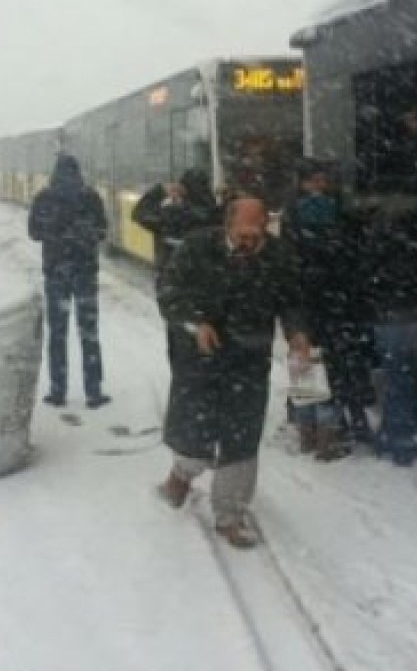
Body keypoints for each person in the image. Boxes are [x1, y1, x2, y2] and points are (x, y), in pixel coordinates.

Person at [154, 196, 311, 549]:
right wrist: (197, 323)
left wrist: (298, 334)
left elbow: (291, 300)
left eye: (256, 235)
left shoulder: (278, 255)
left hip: (249, 358)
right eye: (243, 235)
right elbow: (168, 294)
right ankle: (181, 476)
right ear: (227, 225)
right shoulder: (196, 248)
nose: (249, 242)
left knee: (242, 435)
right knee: (195, 427)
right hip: (199, 356)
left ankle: (230, 515)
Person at [280, 159, 374, 460]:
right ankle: (327, 434)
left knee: (307, 359)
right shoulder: (341, 211)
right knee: (332, 365)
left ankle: (308, 429)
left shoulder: (292, 211)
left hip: (307, 298)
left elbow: (289, 256)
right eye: (314, 181)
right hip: (333, 299)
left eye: (321, 181)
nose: (318, 187)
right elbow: (353, 251)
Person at [27, 154, 111, 409]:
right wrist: (82, 235)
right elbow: (103, 231)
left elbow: (33, 232)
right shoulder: (90, 196)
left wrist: (55, 233)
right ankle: (94, 392)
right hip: (85, 272)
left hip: (56, 274)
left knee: (57, 334)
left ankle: (58, 391)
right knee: (89, 333)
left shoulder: (44, 197)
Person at [364, 201, 417, 465]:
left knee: (397, 379)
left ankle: (399, 441)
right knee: (412, 377)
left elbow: (373, 276)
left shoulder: (382, 245)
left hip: (393, 316)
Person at [132, 169, 218, 277]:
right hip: (204, 280)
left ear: (184, 190)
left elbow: (139, 213)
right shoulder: (216, 214)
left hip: (174, 280)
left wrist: (159, 191)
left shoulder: (174, 213)